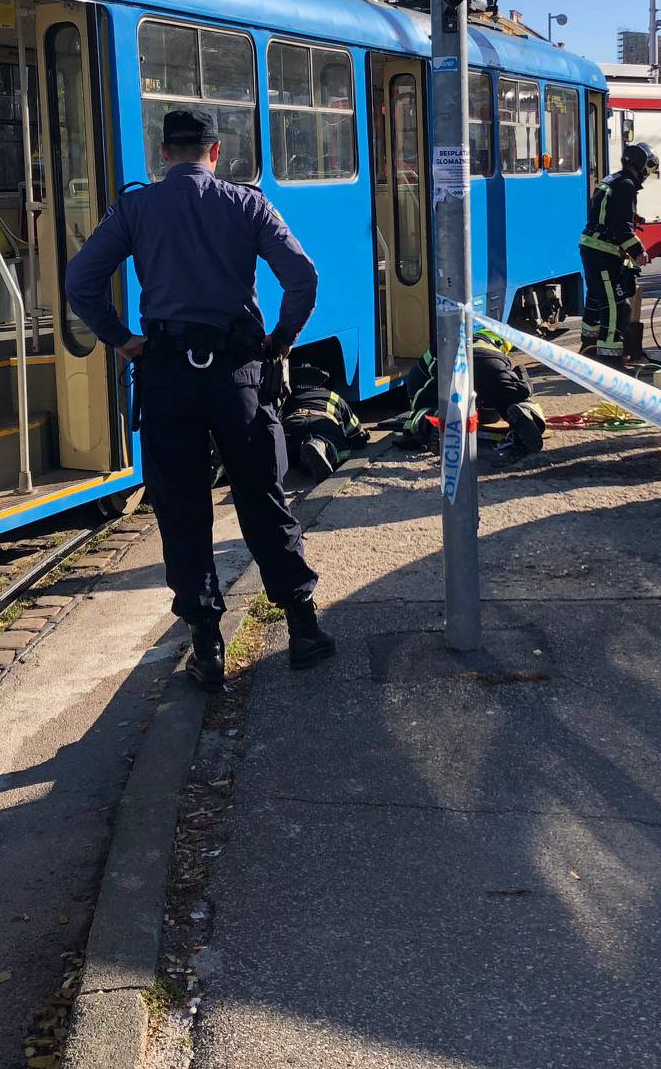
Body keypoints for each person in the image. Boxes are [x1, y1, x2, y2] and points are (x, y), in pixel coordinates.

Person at [62, 107, 334, 691]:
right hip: (238, 372)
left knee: (182, 508)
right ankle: (304, 628)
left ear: (164, 154)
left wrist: (124, 341)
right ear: (216, 153)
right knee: (263, 496)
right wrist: (280, 342)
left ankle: (207, 645)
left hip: (165, 375)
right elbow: (302, 278)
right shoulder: (248, 204)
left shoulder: (135, 207)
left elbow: (81, 280)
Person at [396, 327, 546, 459]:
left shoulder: (443, 343)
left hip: (452, 365)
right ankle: (527, 413)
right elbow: (514, 373)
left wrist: (417, 407)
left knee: (424, 409)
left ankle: (432, 420)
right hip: (490, 360)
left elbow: (416, 375)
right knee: (514, 395)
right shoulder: (496, 339)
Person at [579, 140, 658, 365]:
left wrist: (633, 217)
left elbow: (606, 213)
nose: (646, 173)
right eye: (648, 168)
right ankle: (609, 359)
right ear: (641, 164)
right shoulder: (626, 185)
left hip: (593, 249)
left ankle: (589, 346)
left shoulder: (612, 179)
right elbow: (620, 227)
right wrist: (638, 252)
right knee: (616, 306)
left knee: (596, 299)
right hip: (603, 253)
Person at [280, 360, 368, 482]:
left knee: (286, 449)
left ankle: (292, 455)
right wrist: (362, 438)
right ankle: (320, 446)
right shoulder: (332, 396)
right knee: (332, 442)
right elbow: (355, 432)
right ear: (319, 381)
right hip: (322, 424)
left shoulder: (288, 397)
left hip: (292, 424)